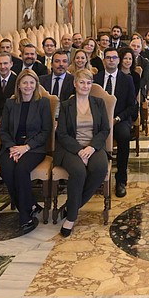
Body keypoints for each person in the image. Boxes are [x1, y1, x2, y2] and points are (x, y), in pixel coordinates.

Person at [55, 69, 110, 236]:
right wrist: (80, 151)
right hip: (71, 148)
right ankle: (71, 217)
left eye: (88, 82)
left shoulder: (98, 103)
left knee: (100, 168)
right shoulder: (65, 105)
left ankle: (73, 204)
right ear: (75, 83)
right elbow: (62, 134)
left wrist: (91, 148)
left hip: (93, 146)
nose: (85, 86)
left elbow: (104, 129)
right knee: (78, 171)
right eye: (82, 82)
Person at [0, 69, 53, 236]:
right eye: (25, 83)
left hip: (34, 149)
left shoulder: (42, 103)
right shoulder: (10, 103)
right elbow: (4, 130)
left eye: (31, 82)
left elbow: (46, 131)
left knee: (21, 170)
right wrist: (12, 147)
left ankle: (25, 216)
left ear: (36, 85)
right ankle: (30, 205)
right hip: (12, 147)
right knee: (7, 170)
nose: (28, 86)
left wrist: (26, 147)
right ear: (19, 85)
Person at [94, 47, 136, 198]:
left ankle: (121, 180)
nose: (111, 60)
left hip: (119, 119)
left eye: (114, 58)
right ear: (104, 60)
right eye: (108, 57)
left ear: (118, 60)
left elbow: (132, 106)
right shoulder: (96, 79)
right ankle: (95, 176)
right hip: (98, 120)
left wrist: (117, 119)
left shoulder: (127, 80)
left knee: (124, 136)